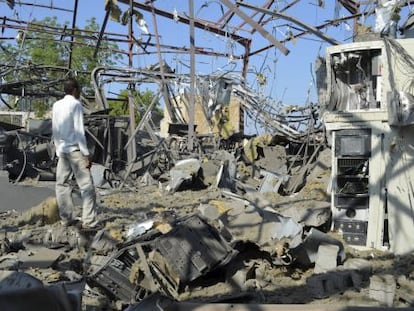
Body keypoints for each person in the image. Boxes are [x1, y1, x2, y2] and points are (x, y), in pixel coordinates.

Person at [52, 77, 99, 229]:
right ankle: (89, 221)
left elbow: (55, 129)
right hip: (75, 151)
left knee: (61, 185)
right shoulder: (76, 104)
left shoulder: (56, 105)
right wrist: (86, 154)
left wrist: (58, 149)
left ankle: (67, 219)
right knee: (87, 187)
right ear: (75, 90)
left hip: (63, 151)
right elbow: (79, 131)